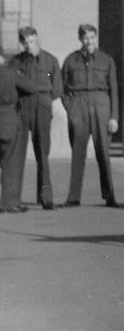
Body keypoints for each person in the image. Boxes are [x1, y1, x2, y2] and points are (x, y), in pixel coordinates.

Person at [62, 23, 119, 207]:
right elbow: (61, 87)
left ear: (96, 38)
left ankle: (110, 196)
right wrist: (70, 108)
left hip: (101, 104)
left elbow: (115, 90)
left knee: (103, 152)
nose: (89, 41)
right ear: (80, 39)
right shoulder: (71, 60)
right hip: (79, 105)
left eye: (92, 37)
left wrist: (114, 117)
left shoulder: (106, 60)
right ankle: (73, 197)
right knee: (78, 153)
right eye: (86, 38)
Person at [9, 26, 62, 208]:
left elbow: (57, 88)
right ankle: (13, 199)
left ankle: (46, 198)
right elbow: (10, 86)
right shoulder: (15, 63)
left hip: (42, 108)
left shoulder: (50, 61)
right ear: (21, 43)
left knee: (42, 153)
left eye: (31, 41)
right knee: (17, 155)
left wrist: (44, 100)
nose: (28, 45)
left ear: (37, 40)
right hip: (22, 108)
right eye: (25, 42)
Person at [0, 46, 37, 214]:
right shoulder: (10, 73)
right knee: (10, 163)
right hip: (8, 118)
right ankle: (8, 203)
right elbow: (31, 87)